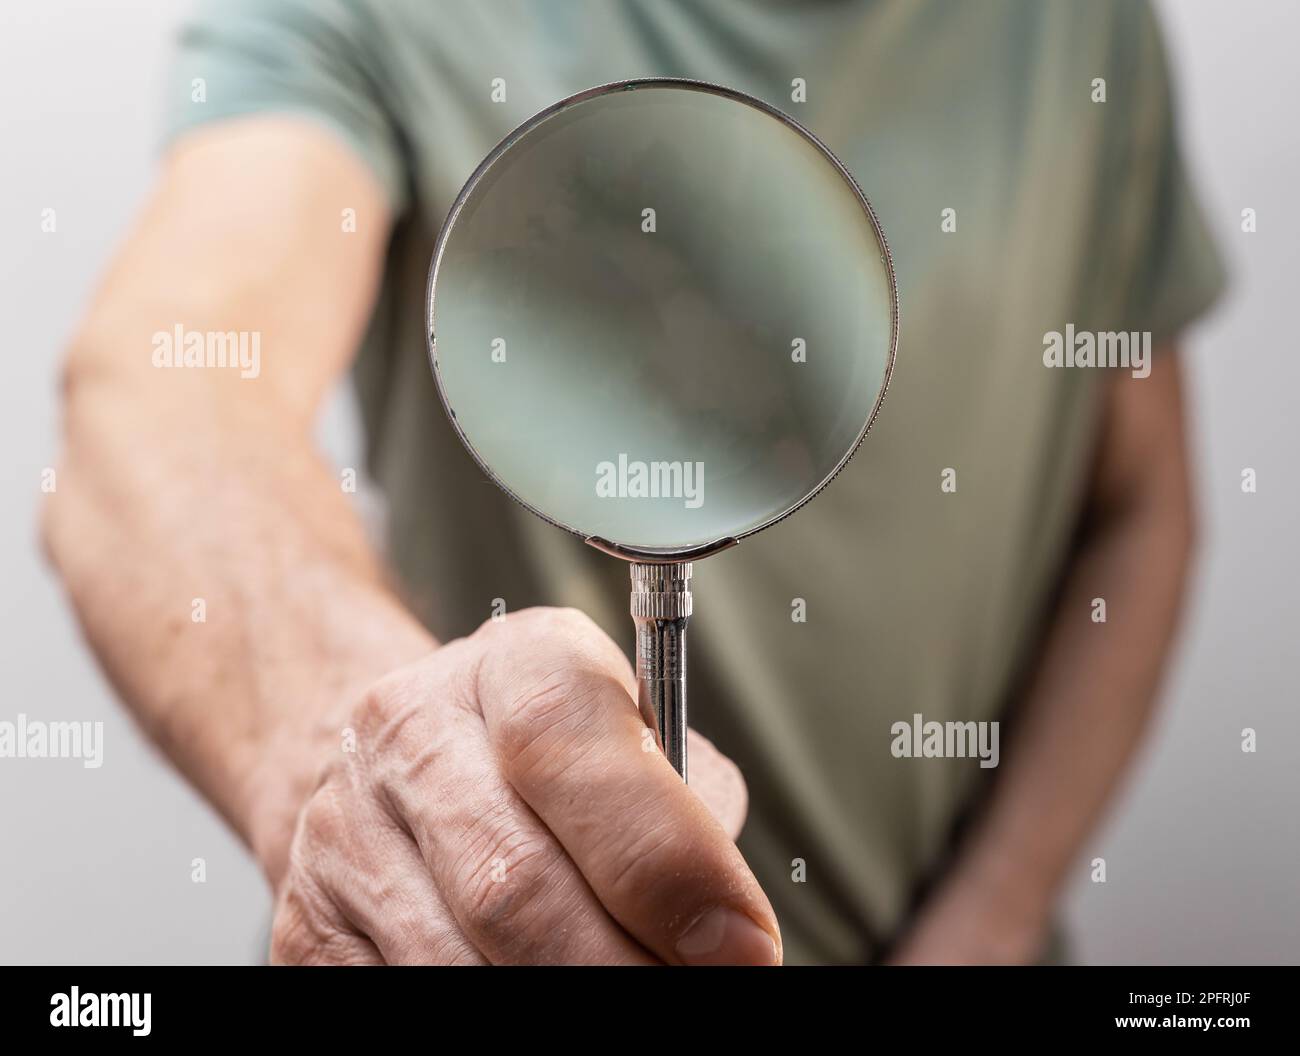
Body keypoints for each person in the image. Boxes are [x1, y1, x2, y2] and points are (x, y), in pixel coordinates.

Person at [43, 0, 1225, 965]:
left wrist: (992, 921)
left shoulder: (1087, 31)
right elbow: (159, 395)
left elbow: (1135, 508)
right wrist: (376, 783)